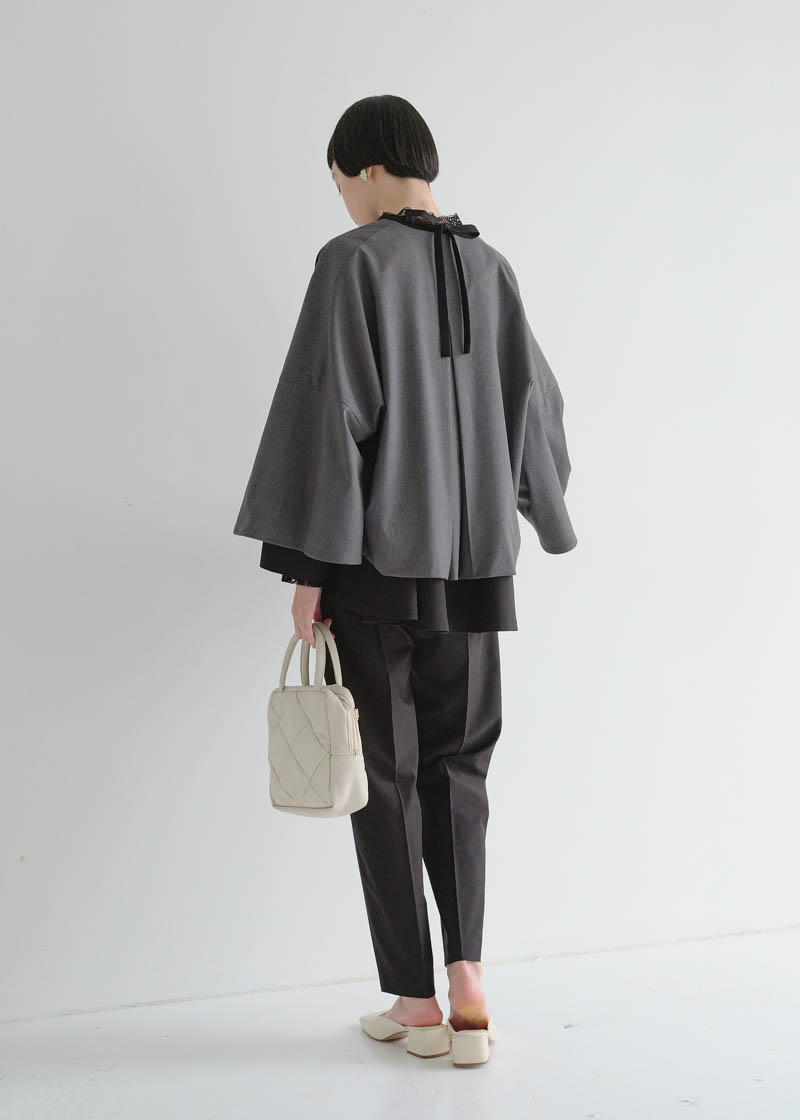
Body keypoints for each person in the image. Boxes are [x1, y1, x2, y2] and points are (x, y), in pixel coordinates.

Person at [233, 94, 577, 1064]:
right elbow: (535, 409)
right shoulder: (492, 266)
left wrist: (309, 572)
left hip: (378, 568)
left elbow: (329, 414)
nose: (343, 200)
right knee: (459, 768)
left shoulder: (352, 262)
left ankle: (414, 1002)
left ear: (369, 170)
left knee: (384, 780)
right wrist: (540, 512)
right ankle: (470, 989)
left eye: (341, 182)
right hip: (477, 571)